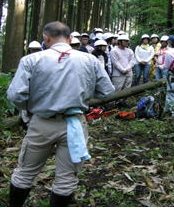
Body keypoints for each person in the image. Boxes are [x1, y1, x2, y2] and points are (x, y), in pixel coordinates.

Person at [7, 21, 115, 207]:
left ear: (46, 38)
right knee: (66, 179)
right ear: (70, 38)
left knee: (25, 173)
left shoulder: (31, 60)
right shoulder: (89, 59)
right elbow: (107, 91)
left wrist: (32, 106)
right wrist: (83, 95)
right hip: (74, 123)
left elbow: (16, 95)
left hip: (42, 122)